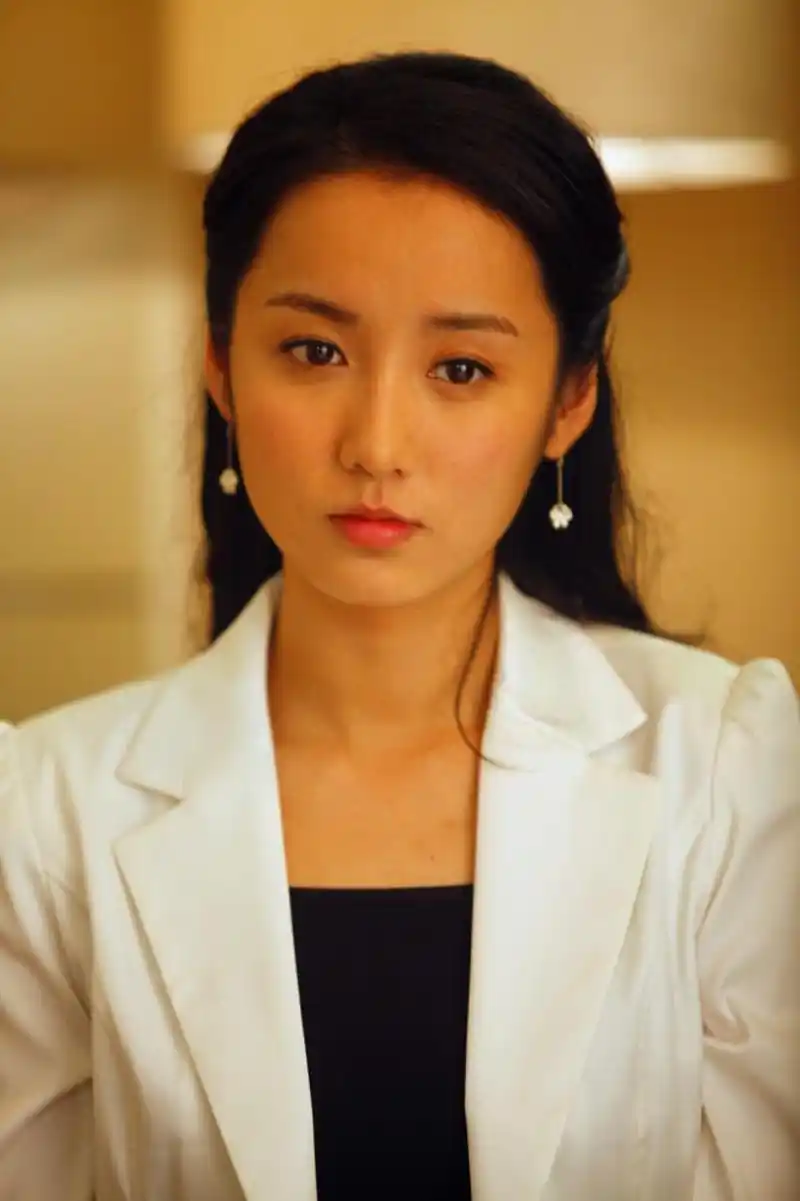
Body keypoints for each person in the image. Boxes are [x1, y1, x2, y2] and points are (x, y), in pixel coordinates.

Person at [0, 50, 798, 1201]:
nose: (375, 443)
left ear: (566, 400)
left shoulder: (721, 769)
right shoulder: (45, 813)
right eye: (314, 351)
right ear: (220, 364)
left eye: (460, 368)